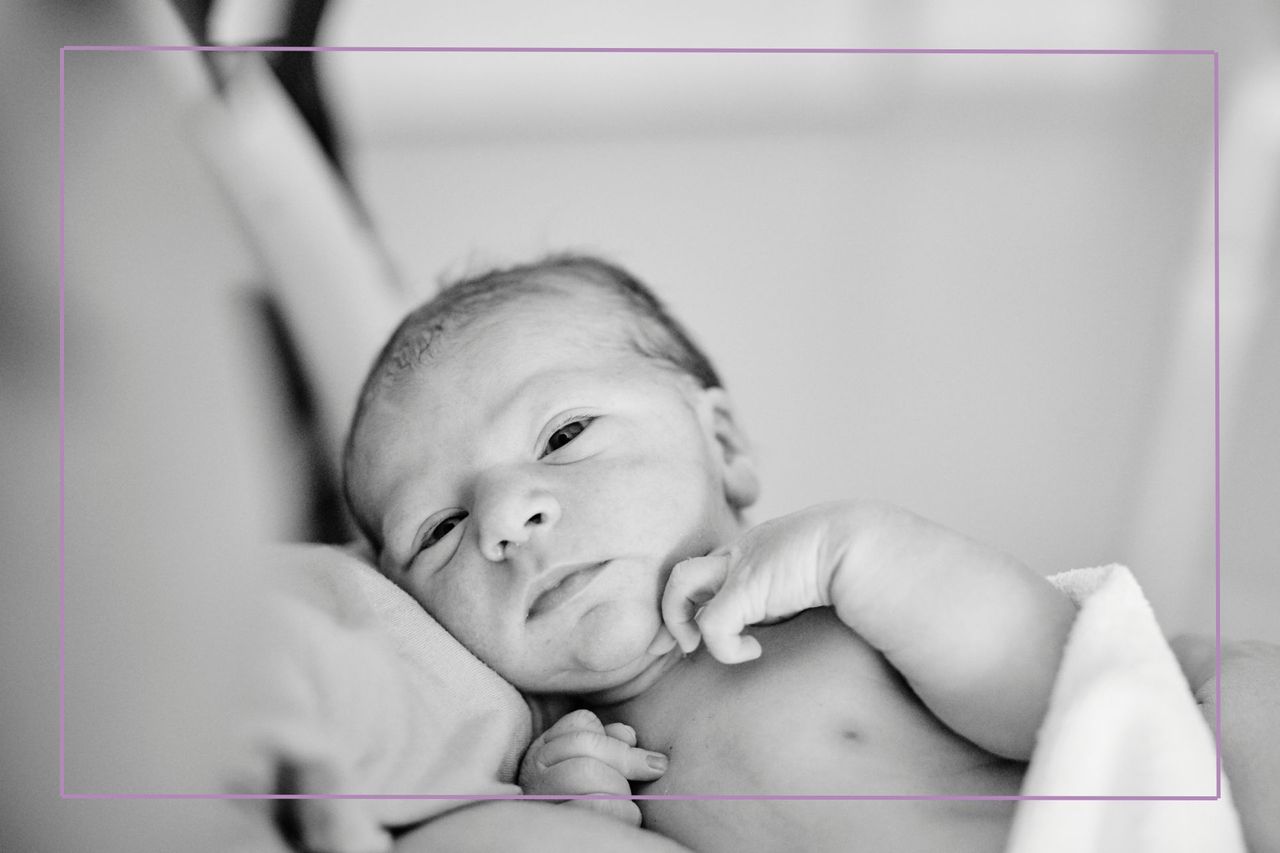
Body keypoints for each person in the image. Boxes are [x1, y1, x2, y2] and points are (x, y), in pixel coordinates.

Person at [337, 253, 1135, 852]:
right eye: (438, 529)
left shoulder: (837, 610)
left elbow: (1067, 700)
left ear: (720, 443)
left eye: (564, 435)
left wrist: (868, 552)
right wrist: (574, 815)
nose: (505, 518)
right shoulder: (557, 756)